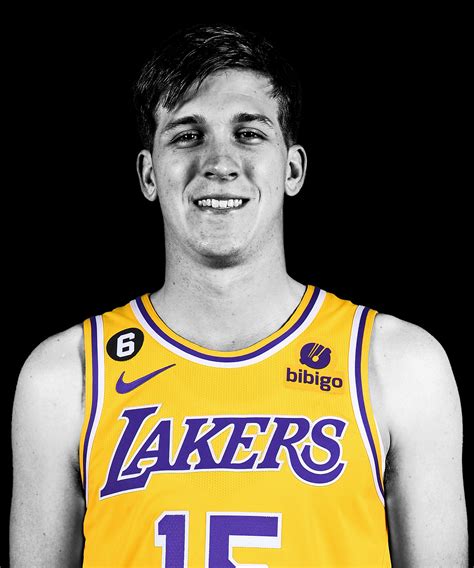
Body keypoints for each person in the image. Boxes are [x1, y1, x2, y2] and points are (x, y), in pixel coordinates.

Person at [10, 23, 467, 567]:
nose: (219, 163)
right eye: (187, 135)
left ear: (292, 168)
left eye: (248, 133)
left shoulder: (399, 364)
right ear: (148, 174)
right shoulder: (67, 375)